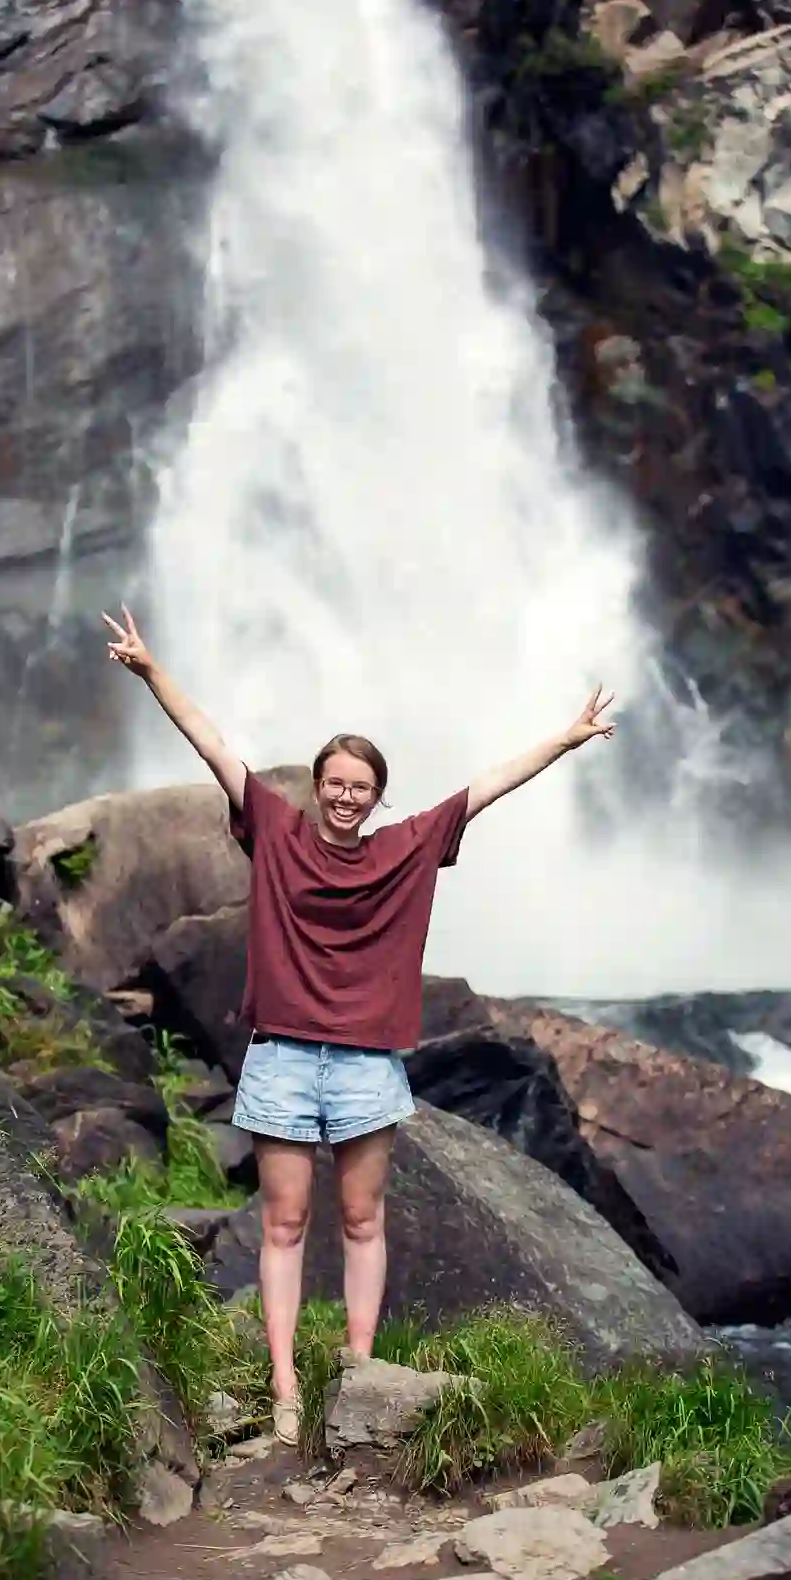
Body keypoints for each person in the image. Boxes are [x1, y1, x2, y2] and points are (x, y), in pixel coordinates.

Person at [103, 604, 615, 1445]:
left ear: (377, 797)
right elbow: (213, 746)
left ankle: (358, 1369)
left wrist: (562, 740)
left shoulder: (407, 847)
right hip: (280, 1057)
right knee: (283, 1222)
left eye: (360, 787)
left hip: (365, 1062)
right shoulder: (275, 828)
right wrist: (152, 670)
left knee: (364, 1219)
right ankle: (283, 1388)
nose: (345, 797)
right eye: (334, 783)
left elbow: (483, 787)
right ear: (316, 786)